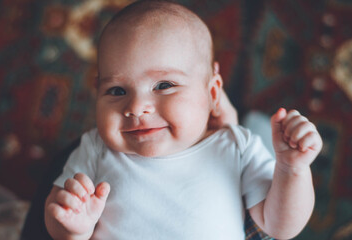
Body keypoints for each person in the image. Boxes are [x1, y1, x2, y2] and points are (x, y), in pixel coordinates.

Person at [44, 1, 323, 239]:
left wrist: (291, 169)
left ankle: (256, 123)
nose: (136, 107)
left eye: (164, 85)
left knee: (255, 133)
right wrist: (72, 227)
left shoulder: (235, 146)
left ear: (212, 92)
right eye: (116, 90)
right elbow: (56, 212)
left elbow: (280, 226)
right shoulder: (95, 148)